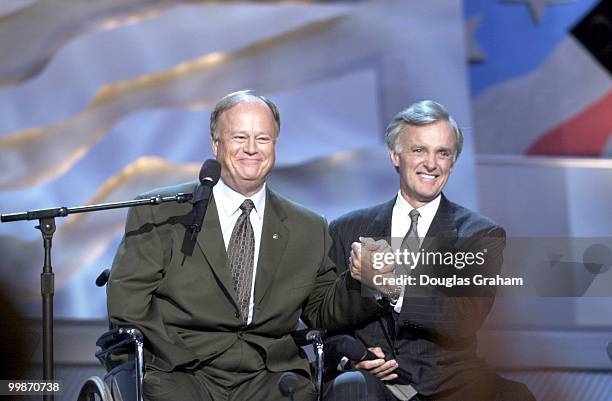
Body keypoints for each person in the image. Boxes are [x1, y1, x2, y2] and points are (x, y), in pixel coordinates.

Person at [107, 90, 383, 401]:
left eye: (262, 139)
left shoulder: (308, 227)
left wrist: (361, 281)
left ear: (275, 146)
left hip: (269, 375)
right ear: (216, 145)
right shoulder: (162, 211)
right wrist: (172, 354)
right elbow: (127, 302)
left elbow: (321, 310)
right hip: (182, 371)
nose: (251, 149)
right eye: (239, 137)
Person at [327, 100, 536, 401]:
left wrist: (391, 286)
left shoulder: (479, 235)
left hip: (449, 385)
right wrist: (352, 357)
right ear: (395, 156)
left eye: (443, 153)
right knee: (350, 387)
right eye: (419, 150)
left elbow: (463, 318)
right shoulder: (346, 229)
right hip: (372, 382)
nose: (431, 163)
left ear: (452, 162)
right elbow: (326, 319)